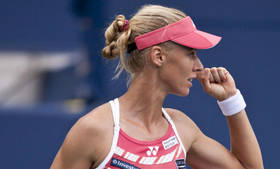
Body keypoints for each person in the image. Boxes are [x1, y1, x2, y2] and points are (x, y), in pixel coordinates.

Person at [50, 5, 263, 169]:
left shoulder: (181, 128)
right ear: (158, 56)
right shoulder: (93, 130)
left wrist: (230, 99)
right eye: (191, 55)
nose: (200, 67)